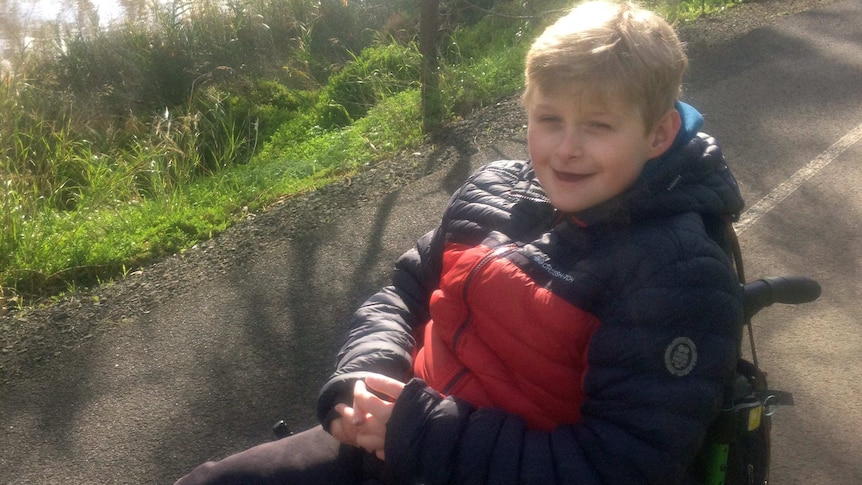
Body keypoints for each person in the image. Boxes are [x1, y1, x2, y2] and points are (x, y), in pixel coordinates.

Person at [176, 1, 745, 483]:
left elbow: (620, 464)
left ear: (658, 133)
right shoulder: (493, 192)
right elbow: (402, 292)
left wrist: (419, 430)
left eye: (598, 126)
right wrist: (363, 377)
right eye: (550, 119)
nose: (566, 148)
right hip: (400, 432)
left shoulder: (677, 272)